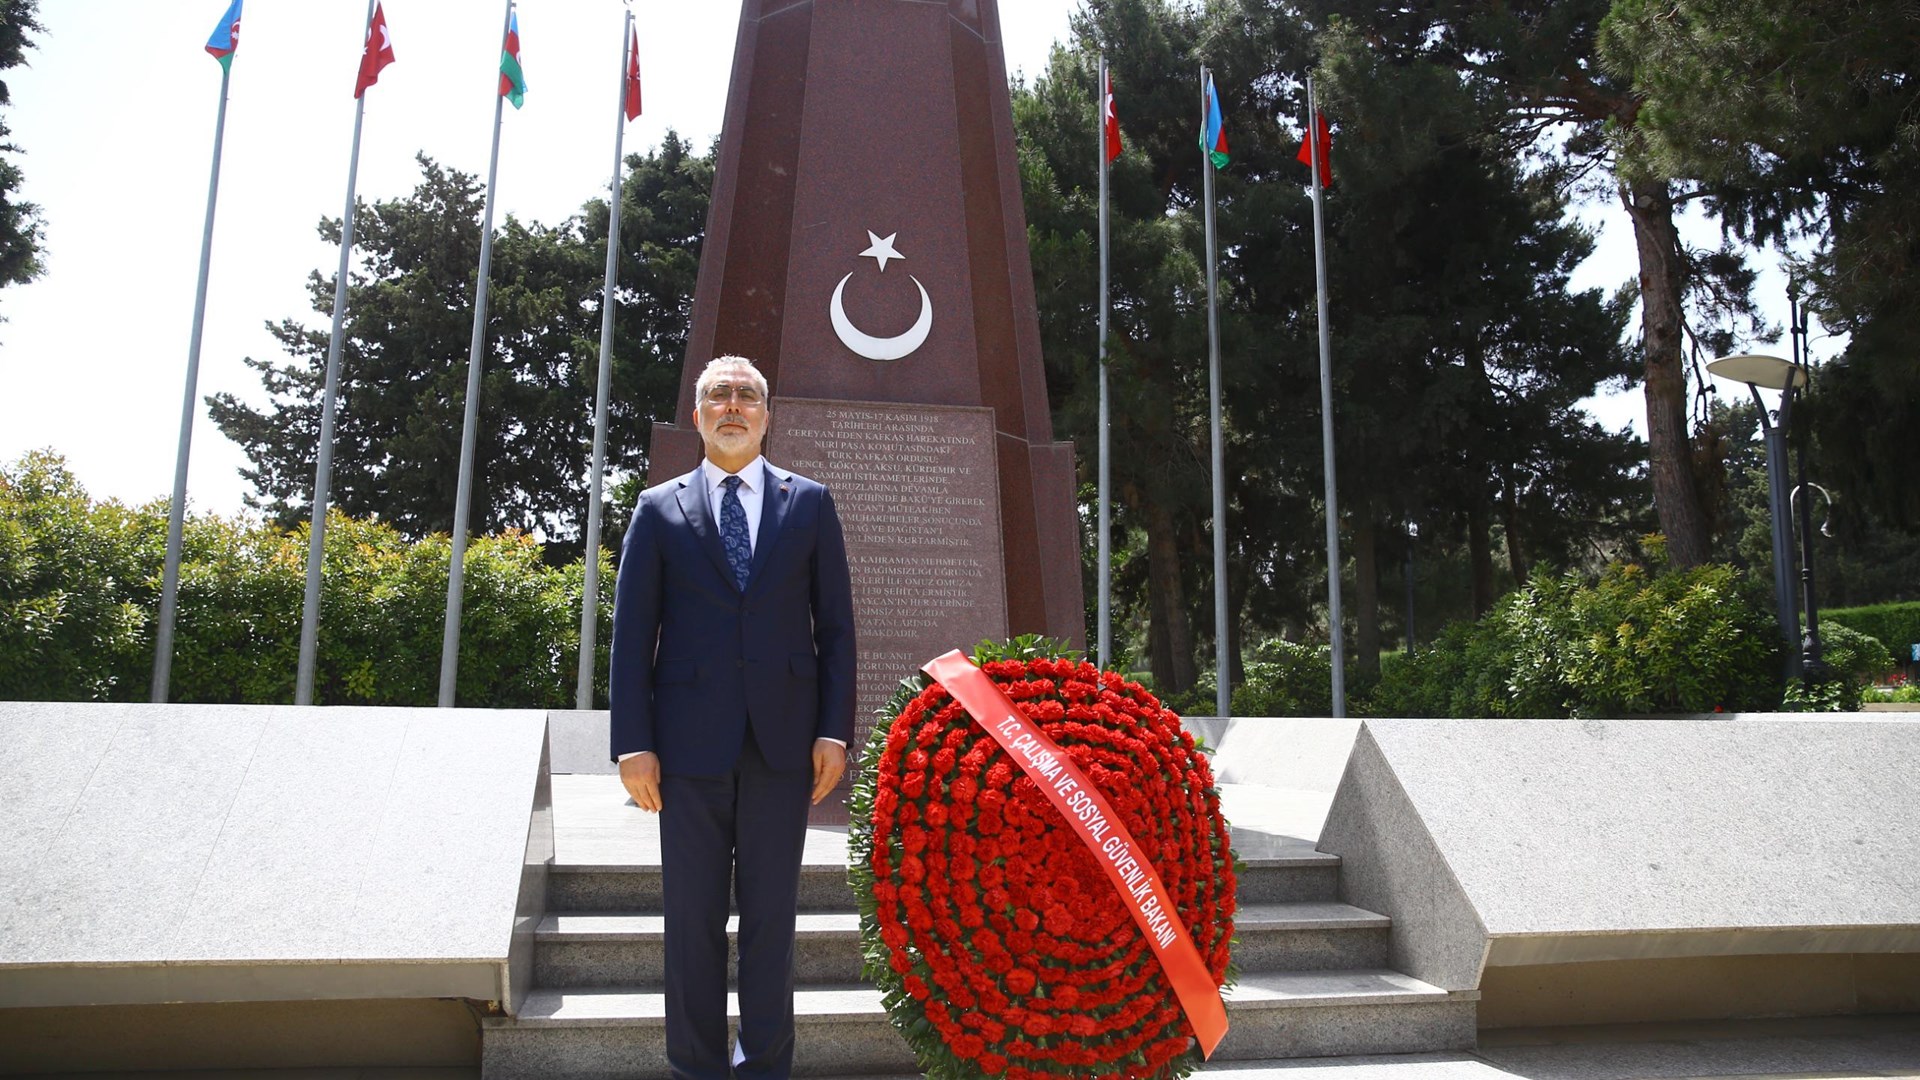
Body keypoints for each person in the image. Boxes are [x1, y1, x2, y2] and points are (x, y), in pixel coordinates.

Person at [609, 355, 856, 1080]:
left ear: (766, 416)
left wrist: (833, 730)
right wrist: (633, 743)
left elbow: (835, 628)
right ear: (699, 415)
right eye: (719, 395)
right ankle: (697, 1067)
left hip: (785, 747)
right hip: (685, 750)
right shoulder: (659, 508)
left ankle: (765, 1066)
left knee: (772, 923)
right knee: (691, 921)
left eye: (748, 396)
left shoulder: (809, 503)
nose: (734, 406)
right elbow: (633, 634)